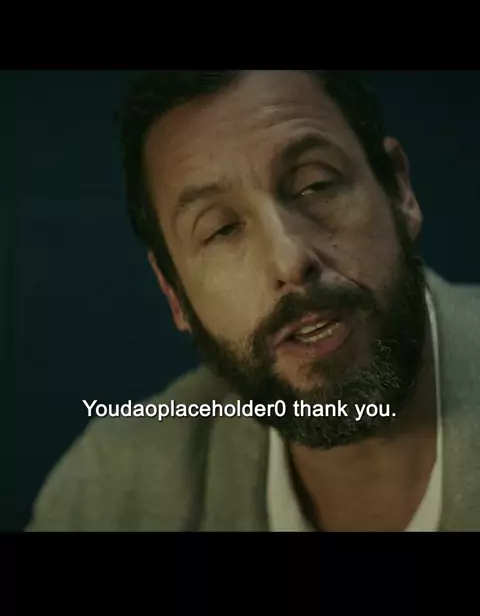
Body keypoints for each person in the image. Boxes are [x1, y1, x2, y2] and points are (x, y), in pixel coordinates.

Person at [27, 70, 480, 532]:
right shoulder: (107, 495)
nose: (290, 260)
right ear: (174, 294)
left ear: (399, 190)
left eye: (315, 185)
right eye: (221, 229)